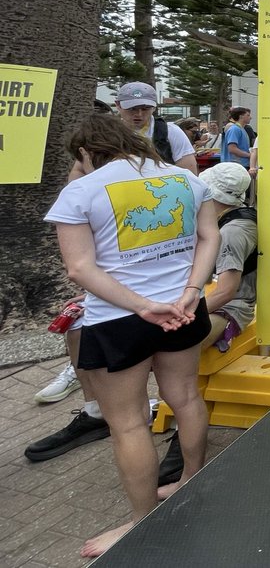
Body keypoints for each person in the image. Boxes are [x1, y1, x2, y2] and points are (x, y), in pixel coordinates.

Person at [43, 113, 217, 557]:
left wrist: (141, 306)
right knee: (187, 398)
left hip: (119, 319)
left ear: (86, 152)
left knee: (128, 424)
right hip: (183, 310)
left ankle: (142, 522)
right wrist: (191, 292)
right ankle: (190, 481)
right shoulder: (184, 178)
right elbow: (209, 238)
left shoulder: (81, 191)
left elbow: (79, 268)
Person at [157, 162, 258, 491]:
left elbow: (227, 291)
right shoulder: (226, 220)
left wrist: (184, 312)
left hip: (231, 309)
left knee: (174, 352)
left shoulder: (233, 231)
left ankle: (182, 447)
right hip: (212, 301)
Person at [73, 81, 198, 178]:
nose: (139, 114)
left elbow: (189, 173)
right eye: (132, 108)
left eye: (145, 109)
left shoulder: (170, 132)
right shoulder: (104, 133)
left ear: (154, 107)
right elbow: (78, 170)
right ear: (118, 105)